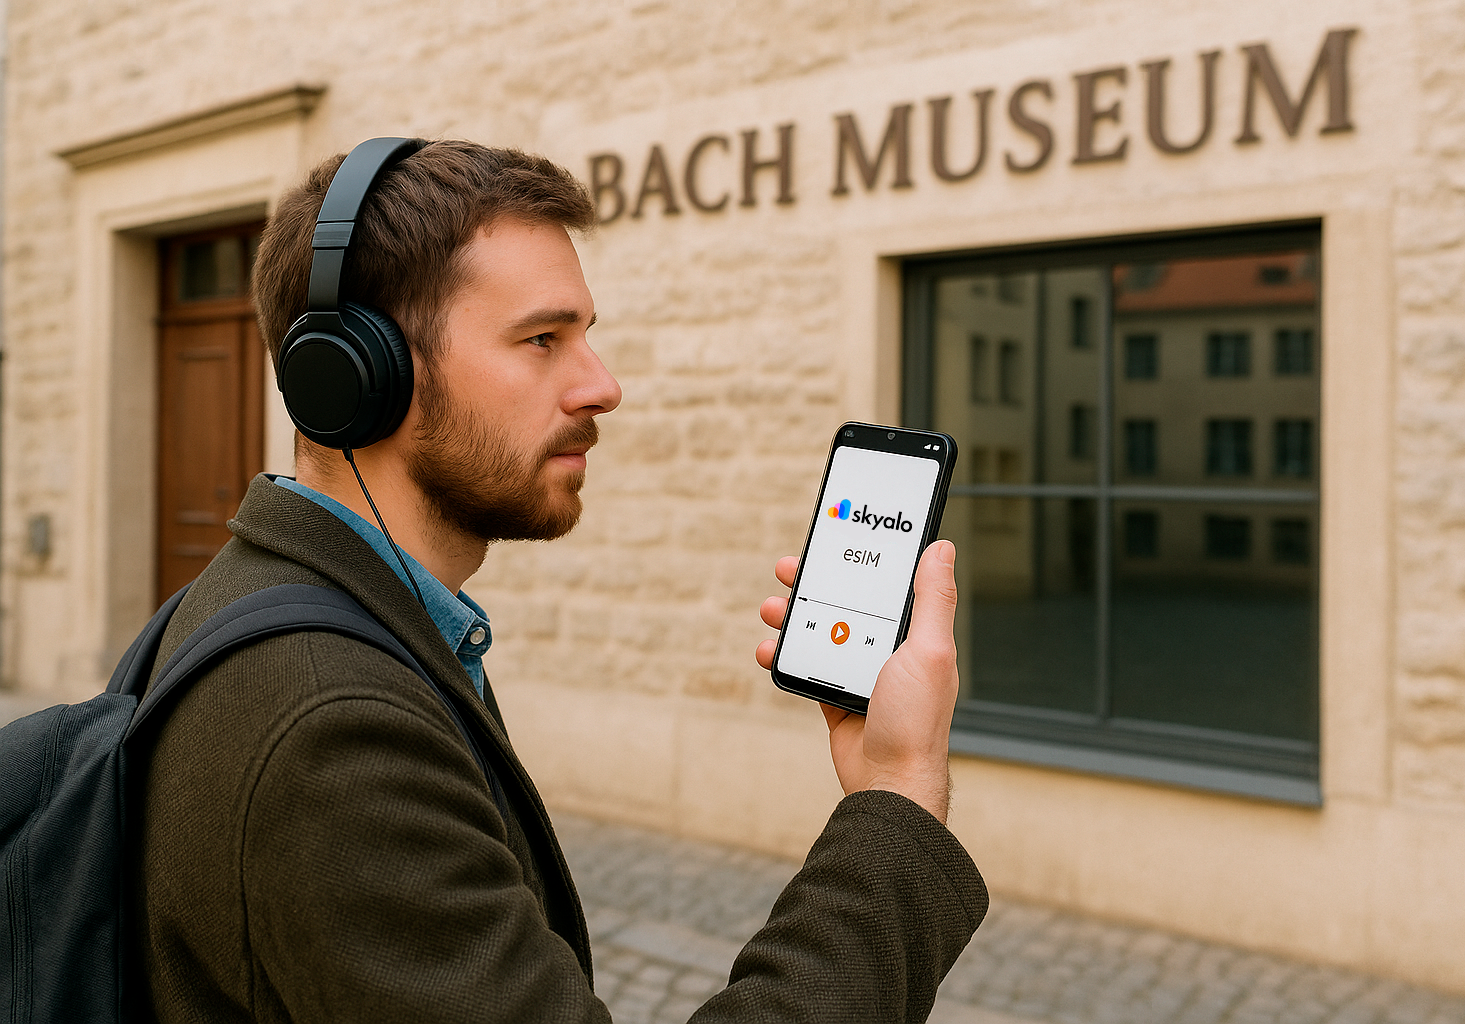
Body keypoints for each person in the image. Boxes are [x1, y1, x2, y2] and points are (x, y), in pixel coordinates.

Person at [135, 139, 987, 1023]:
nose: (602, 385)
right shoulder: (331, 731)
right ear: (359, 376)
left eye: (587, 335)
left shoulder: (268, 603)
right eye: (543, 339)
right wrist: (898, 795)